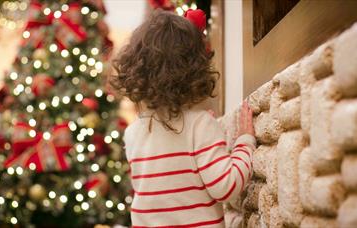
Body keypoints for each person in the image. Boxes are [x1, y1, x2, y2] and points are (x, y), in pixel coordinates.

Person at [110, 9, 256, 228]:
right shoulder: (200, 124)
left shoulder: (132, 133)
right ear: (194, 68)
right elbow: (225, 186)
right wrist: (245, 142)